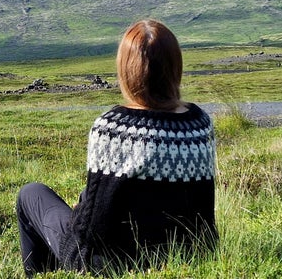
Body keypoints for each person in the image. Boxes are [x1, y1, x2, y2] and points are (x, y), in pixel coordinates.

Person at [15, 19, 217, 277]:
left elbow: (92, 229)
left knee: (31, 193)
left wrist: (79, 211)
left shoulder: (113, 128)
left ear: (127, 70)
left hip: (109, 264)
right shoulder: (200, 124)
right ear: (175, 66)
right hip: (191, 259)